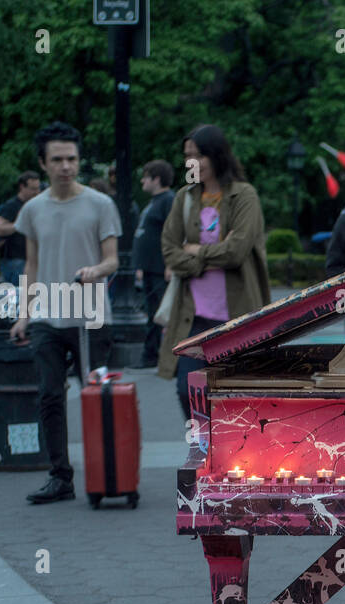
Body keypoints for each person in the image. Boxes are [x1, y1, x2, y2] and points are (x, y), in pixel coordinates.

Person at [8, 121, 122, 505]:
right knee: (49, 397)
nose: (66, 166)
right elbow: (31, 264)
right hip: (47, 315)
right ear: (43, 163)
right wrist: (23, 313)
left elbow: (112, 261)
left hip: (91, 315)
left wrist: (96, 270)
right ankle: (60, 477)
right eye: (57, 159)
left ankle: (106, 473)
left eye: (72, 158)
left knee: (96, 395)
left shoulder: (100, 204)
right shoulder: (32, 209)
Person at [157, 124, 271, 422]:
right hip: (193, 318)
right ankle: (202, 448)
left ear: (216, 156)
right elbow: (169, 250)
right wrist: (204, 257)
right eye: (187, 157)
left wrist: (194, 251)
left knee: (236, 396)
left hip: (236, 315)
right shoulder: (184, 198)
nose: (191, 163)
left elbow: (237, 251)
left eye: (198, 156)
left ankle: (229, 453)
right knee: (187, 390)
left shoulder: (244, 195)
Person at [133, 159, 175, 367]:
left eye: (146, 176)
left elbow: (173, 233)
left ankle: (162, 355)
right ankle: (151, 355)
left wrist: (170, 264)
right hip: (150, 268)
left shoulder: (168, 200)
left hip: (160, 268)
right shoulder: (154, 201)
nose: (142, 181)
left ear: (156, 179)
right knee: (152, 314)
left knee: (162, 314)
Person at [0, 171, 42, 287]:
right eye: (32, 189)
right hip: (15, 260)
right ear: (22, 187)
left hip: (29, 260)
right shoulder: (12, 205)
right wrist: (19, 223)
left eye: (38, 189)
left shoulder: (34, 205)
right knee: (20, 297)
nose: (36, 192)